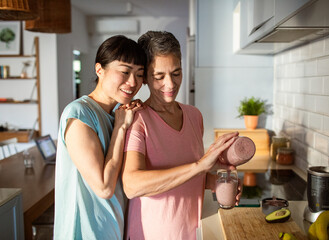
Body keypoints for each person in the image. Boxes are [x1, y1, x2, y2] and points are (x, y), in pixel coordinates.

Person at [122, 31, 241, 240]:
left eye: (176, 73)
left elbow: (186, 177)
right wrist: (201, 166)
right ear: (145, 79)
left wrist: (213, 181)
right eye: (159, 76)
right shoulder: (138, 120)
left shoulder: (194, 116)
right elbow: (132, 186)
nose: (170, 84)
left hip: (192, 233)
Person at [53, 35, 146, 239]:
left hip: (113, 230)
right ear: (99, 70)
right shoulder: (78, 114)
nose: (133, 82)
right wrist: (121, 128)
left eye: (140, 74)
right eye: (124, 71)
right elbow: (104, 187)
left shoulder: (117, 113)